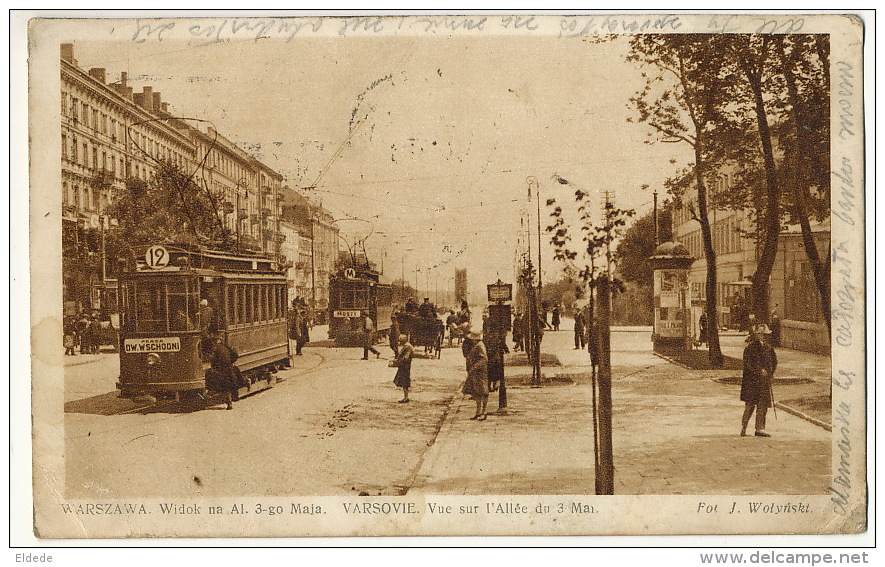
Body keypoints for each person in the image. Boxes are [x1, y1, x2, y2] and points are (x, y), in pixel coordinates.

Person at [740, 324, 778, 437]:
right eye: (762, 334)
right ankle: (744, 427)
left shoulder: (768, 348)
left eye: (766, 335)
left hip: (764, 382)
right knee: (750, 405)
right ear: (757, 335)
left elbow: (774, 362)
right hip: (752, 382)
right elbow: (747, 364)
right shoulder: (750, 348)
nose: (764, 337)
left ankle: (759, 429)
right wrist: (759, 371)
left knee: (763, 406)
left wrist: (770, 373)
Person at [206, 335, 241, 410]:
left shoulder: (215, 349)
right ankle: (234, 398)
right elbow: (236, 354)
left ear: (215, 341)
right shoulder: (226, 346)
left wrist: (214, 366)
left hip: (221, 370)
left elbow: (213, 360)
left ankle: (228, 403)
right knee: (231, 384)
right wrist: (231, 362)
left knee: (225, 387)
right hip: (229, 368)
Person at [462, 331, 489, 421]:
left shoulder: (480, 346)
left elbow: (484, 359)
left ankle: (484, 412)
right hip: (475, 372)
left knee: (483, 391)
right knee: (477, 392)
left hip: (480, 371)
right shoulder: (477, 345)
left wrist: (475, 367)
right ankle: (478, 412)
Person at [391, 334, 414, 403]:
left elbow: (406, 357)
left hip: (405, 366)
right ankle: (405, 397)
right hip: (404, 365)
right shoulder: (407, 346)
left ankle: (406, 397)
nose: (399, 342)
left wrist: (397, 362)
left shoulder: (408, 347)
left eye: (400, 340)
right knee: (404, 382)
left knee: (405, 382)